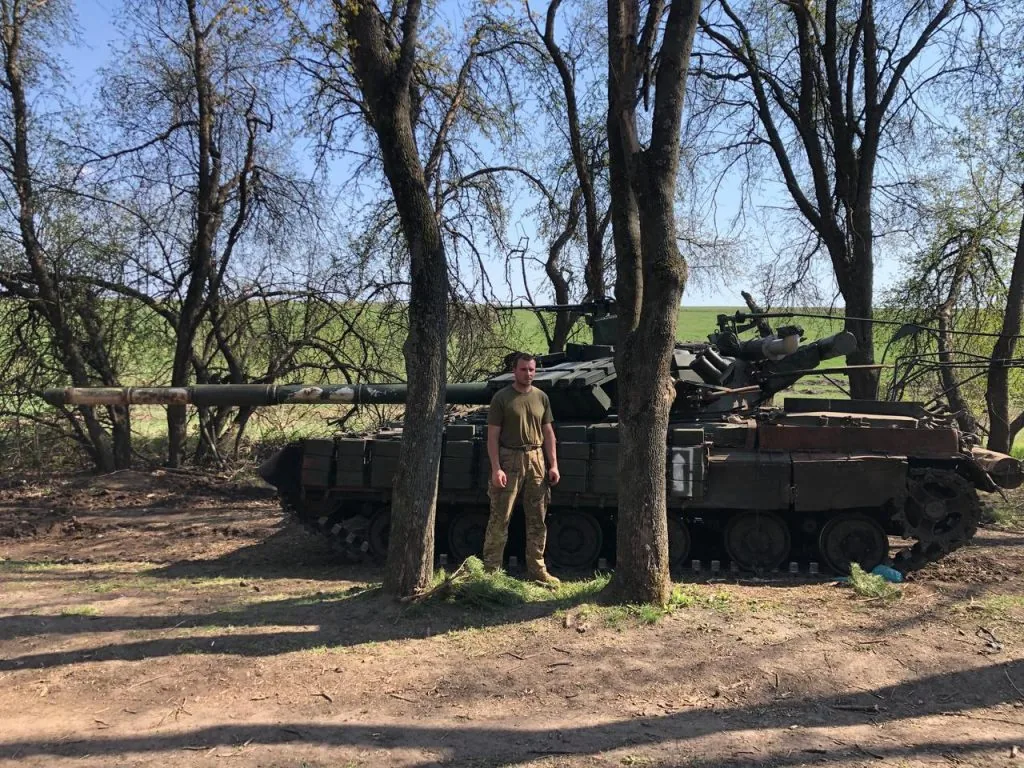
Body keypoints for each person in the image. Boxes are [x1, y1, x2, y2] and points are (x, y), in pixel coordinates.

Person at [482, 352, 561, 585]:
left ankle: (537, 569)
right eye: (524, 369)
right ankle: (491, 572)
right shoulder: (502, 398)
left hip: (536, 458)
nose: (528, 374)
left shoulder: (541, 397)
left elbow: (548, 433)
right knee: (500, 517)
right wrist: (496, 468)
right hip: (509, 458)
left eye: (531, 369)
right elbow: (492, 437)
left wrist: (553, 465)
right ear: (514, 371)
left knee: (537, 519)